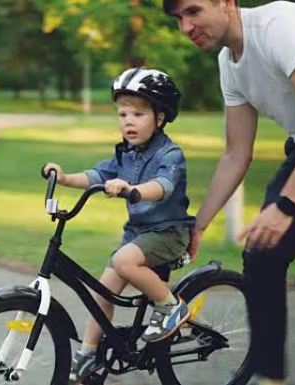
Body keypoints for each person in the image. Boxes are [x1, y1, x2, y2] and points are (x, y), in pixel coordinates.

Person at [163, 1, 295, 384]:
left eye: (193, 11)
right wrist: (199, 223)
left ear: (226, 3)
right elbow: (236, 152)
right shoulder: (229, 64)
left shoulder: (277, 27)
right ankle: (270, 375)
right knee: (262, 256)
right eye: (178, 19)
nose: (185, 27)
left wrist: (286, 206)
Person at [44, 67, 196, 384]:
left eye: (138, 114)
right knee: (103, 291)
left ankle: (171, 307)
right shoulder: (125, 152)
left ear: (161, 117)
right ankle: (87, 354)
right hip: (139, 235)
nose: (128, 120)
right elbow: (97, 176)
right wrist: (65, 177)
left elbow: (164, 185)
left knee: (124, 260)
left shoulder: (171, 154)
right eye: (123, 113)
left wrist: (133, 190)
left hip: (168, 233)